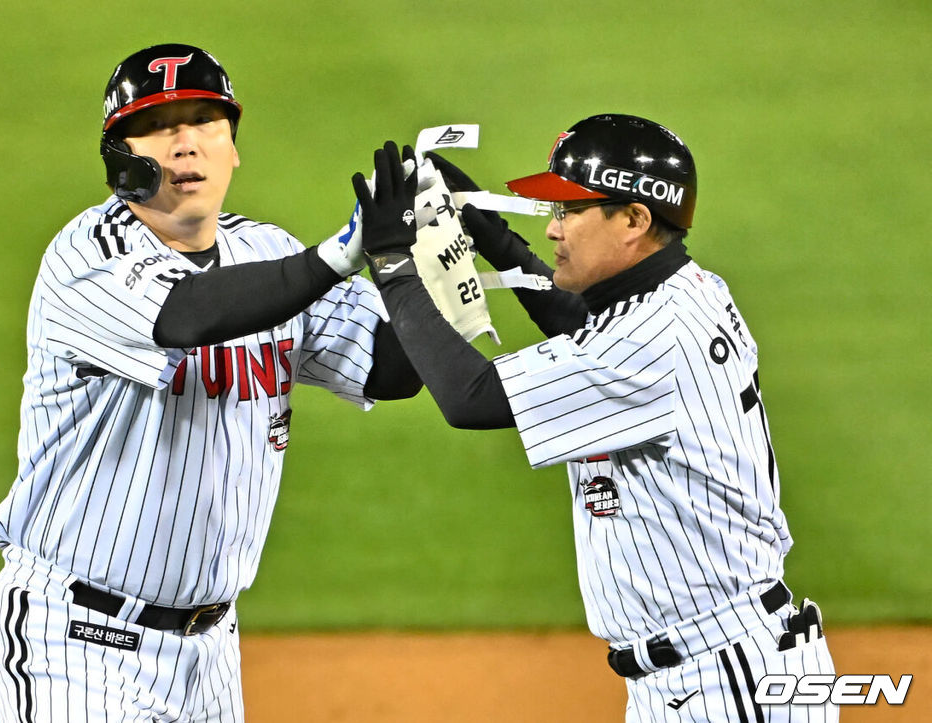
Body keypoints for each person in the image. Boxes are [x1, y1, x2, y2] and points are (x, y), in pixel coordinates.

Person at [0, 43, 420, 722]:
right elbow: (187, 314)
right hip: (75, 639)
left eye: (207, 122)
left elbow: (392, 371)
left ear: (234, 149)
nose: (188, 143)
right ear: (119, 156)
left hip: (211, 652)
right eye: (161, 124)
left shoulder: (269, 255)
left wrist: (414, 262)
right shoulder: (87, 256)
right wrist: (338, 257)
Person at [352, 117, 836, 721]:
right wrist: (481, 227)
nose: (552, 227)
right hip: (710, 666)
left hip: (724, 683)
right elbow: (581, 326)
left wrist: (392, 260)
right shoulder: (683, 291)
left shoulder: (653, 343)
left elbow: (469, 396)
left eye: (569, 211)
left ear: (634, 219)